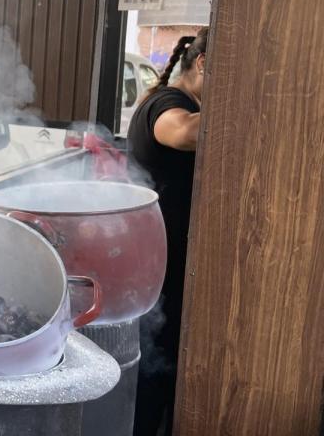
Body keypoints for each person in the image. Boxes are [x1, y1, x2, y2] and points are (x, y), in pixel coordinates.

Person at [128, 27, 209, 436]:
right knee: (152, 375)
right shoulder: (167, 104)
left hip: (164, 263)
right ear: (204, 64)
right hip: (162, 267)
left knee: (159, 373)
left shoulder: (169, 98)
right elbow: (181, 130)